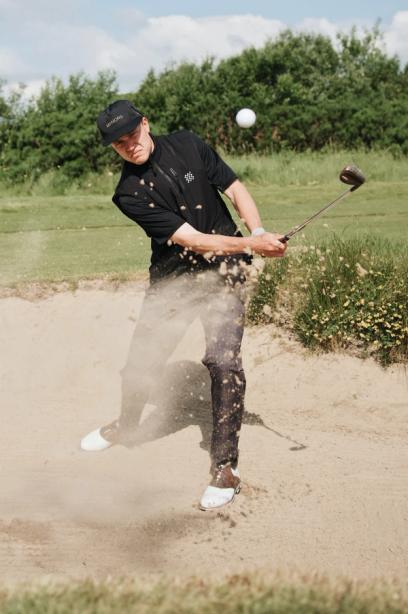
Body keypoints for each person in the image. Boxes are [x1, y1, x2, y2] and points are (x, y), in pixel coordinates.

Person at [80, 99, 287, 510]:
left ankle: (225, 467)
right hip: (174, 281)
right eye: (119, 144)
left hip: (226, 273)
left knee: (224, 362)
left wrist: (258, 229)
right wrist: (253, 244)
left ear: (145, 123)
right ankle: (126, 425)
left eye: (132, 135)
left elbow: (234, 188)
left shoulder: (189, 144)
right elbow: (193, 239)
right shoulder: (128, 194)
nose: (129, 146)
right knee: (140, 363)